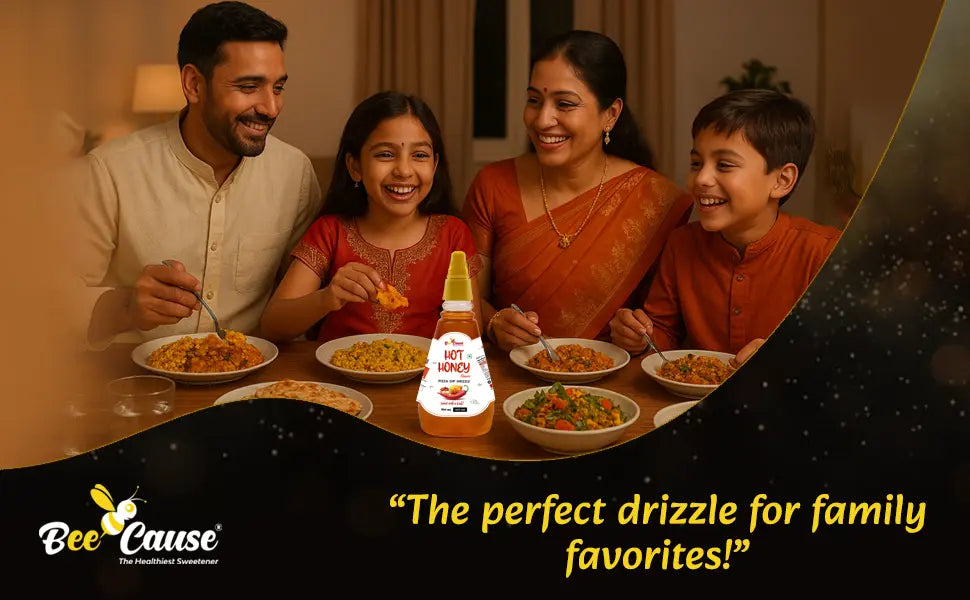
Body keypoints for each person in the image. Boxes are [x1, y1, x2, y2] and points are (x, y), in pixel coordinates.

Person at [76, 1, 322, 348]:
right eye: (249, 87)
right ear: (193, 84)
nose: (271, 107)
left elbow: (296, 300)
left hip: (252, 381)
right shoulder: (109, 171)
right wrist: (126, 306)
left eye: (277, 87)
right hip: (136, 384)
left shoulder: (294, 174)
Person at [462, 30, 693, 351]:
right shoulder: (493, 184)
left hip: (613, 385)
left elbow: (668, 328)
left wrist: (637, 332)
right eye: (533, 100)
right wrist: (494, 322)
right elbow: (466, 298)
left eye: (565, 104)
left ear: (610, 114)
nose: (543, 120)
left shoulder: (658, 201)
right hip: (508, 376)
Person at [609, 89, 842, 366]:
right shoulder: (682, 244)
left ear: (782, 180)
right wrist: (636, 337)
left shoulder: (826, 252)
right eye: (696, 163)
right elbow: (663, 334)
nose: (702, 179)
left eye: (725, 165)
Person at [259, 91, 482, 342]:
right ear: (355, 166)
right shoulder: (331, 231)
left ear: (434, 164)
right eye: (385, 154)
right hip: (336, 379)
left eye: (419, 155)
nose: (404, 170)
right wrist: (326, 298)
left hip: (424, 378)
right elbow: (273, 325)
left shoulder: (453, 234)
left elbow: (471, 333)